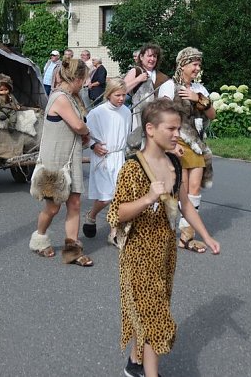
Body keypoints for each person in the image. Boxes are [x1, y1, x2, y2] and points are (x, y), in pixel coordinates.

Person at [107, 98, 219, 377]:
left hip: (166, 251)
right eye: (171, 128)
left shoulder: (174, 163)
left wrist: (206, 235)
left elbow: (185, 204)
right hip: (138, 254)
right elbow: (116, 213)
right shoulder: (133, 168)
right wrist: (148, 198)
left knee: (151, 309)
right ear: (150, 129)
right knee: (155, 317)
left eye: (178, 128)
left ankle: (134, 364)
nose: (177, 134)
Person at [28, 57, 93, 266]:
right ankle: (39, 238)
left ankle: (73, 251)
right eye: (84, 79)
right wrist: (86, 132)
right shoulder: (60, 98)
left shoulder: (71, 97)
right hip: (55, 161)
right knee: (53, 208)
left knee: (74, 204)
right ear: (77, 78)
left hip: (70, 158)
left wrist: (83, 134)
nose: (85, 83)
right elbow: (78, 125)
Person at [157, 47, 216, 253]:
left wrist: (197, 98)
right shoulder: (169, 86)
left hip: (196, 143)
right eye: (194, 64)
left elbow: (212, 114)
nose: (197, 68)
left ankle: (186, 236)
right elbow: (161, 116)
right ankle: (164, 230)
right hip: (177, 141)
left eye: (199, 64)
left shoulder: (199, 88)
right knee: (177, 190)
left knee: (195, 189)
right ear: (182, 65)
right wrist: (170, 145)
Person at [82, 78, 130, 245]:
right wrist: (93, 145)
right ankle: (91, 215)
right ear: (109, 94)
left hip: (119, 157)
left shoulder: (126, 112)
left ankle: (114, 233)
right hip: (103, 158)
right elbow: (85, 135)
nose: (121, 99)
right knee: (105, 198)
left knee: (118, 196)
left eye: (124, 95)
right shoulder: (97, 113)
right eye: (118, 95)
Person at [123, 44, 170, 149]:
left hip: (156, 118)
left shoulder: (162, 77)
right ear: (141, 57)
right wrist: (138, 79)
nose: (152, 59)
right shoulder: (136, 71)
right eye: (149, 56)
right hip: (138, 117)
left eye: (155, 56)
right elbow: (121, 90)